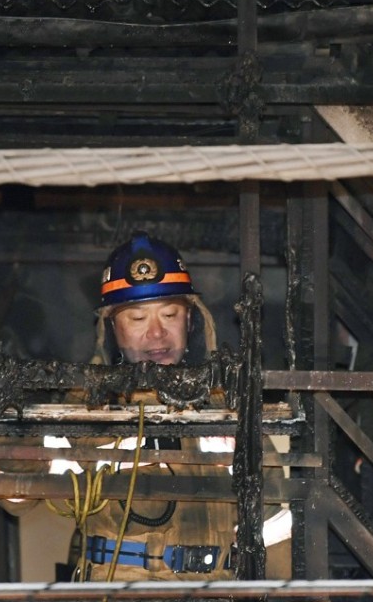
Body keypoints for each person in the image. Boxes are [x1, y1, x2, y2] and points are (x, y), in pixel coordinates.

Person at [77, 231, 238, 581]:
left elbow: (274, 524)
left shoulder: (227, 409)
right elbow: (15, 495)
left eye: (169, 315)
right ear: (111, 327)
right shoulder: (84, 409)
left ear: (190, 320)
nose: (156, 334)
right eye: (137, 319)